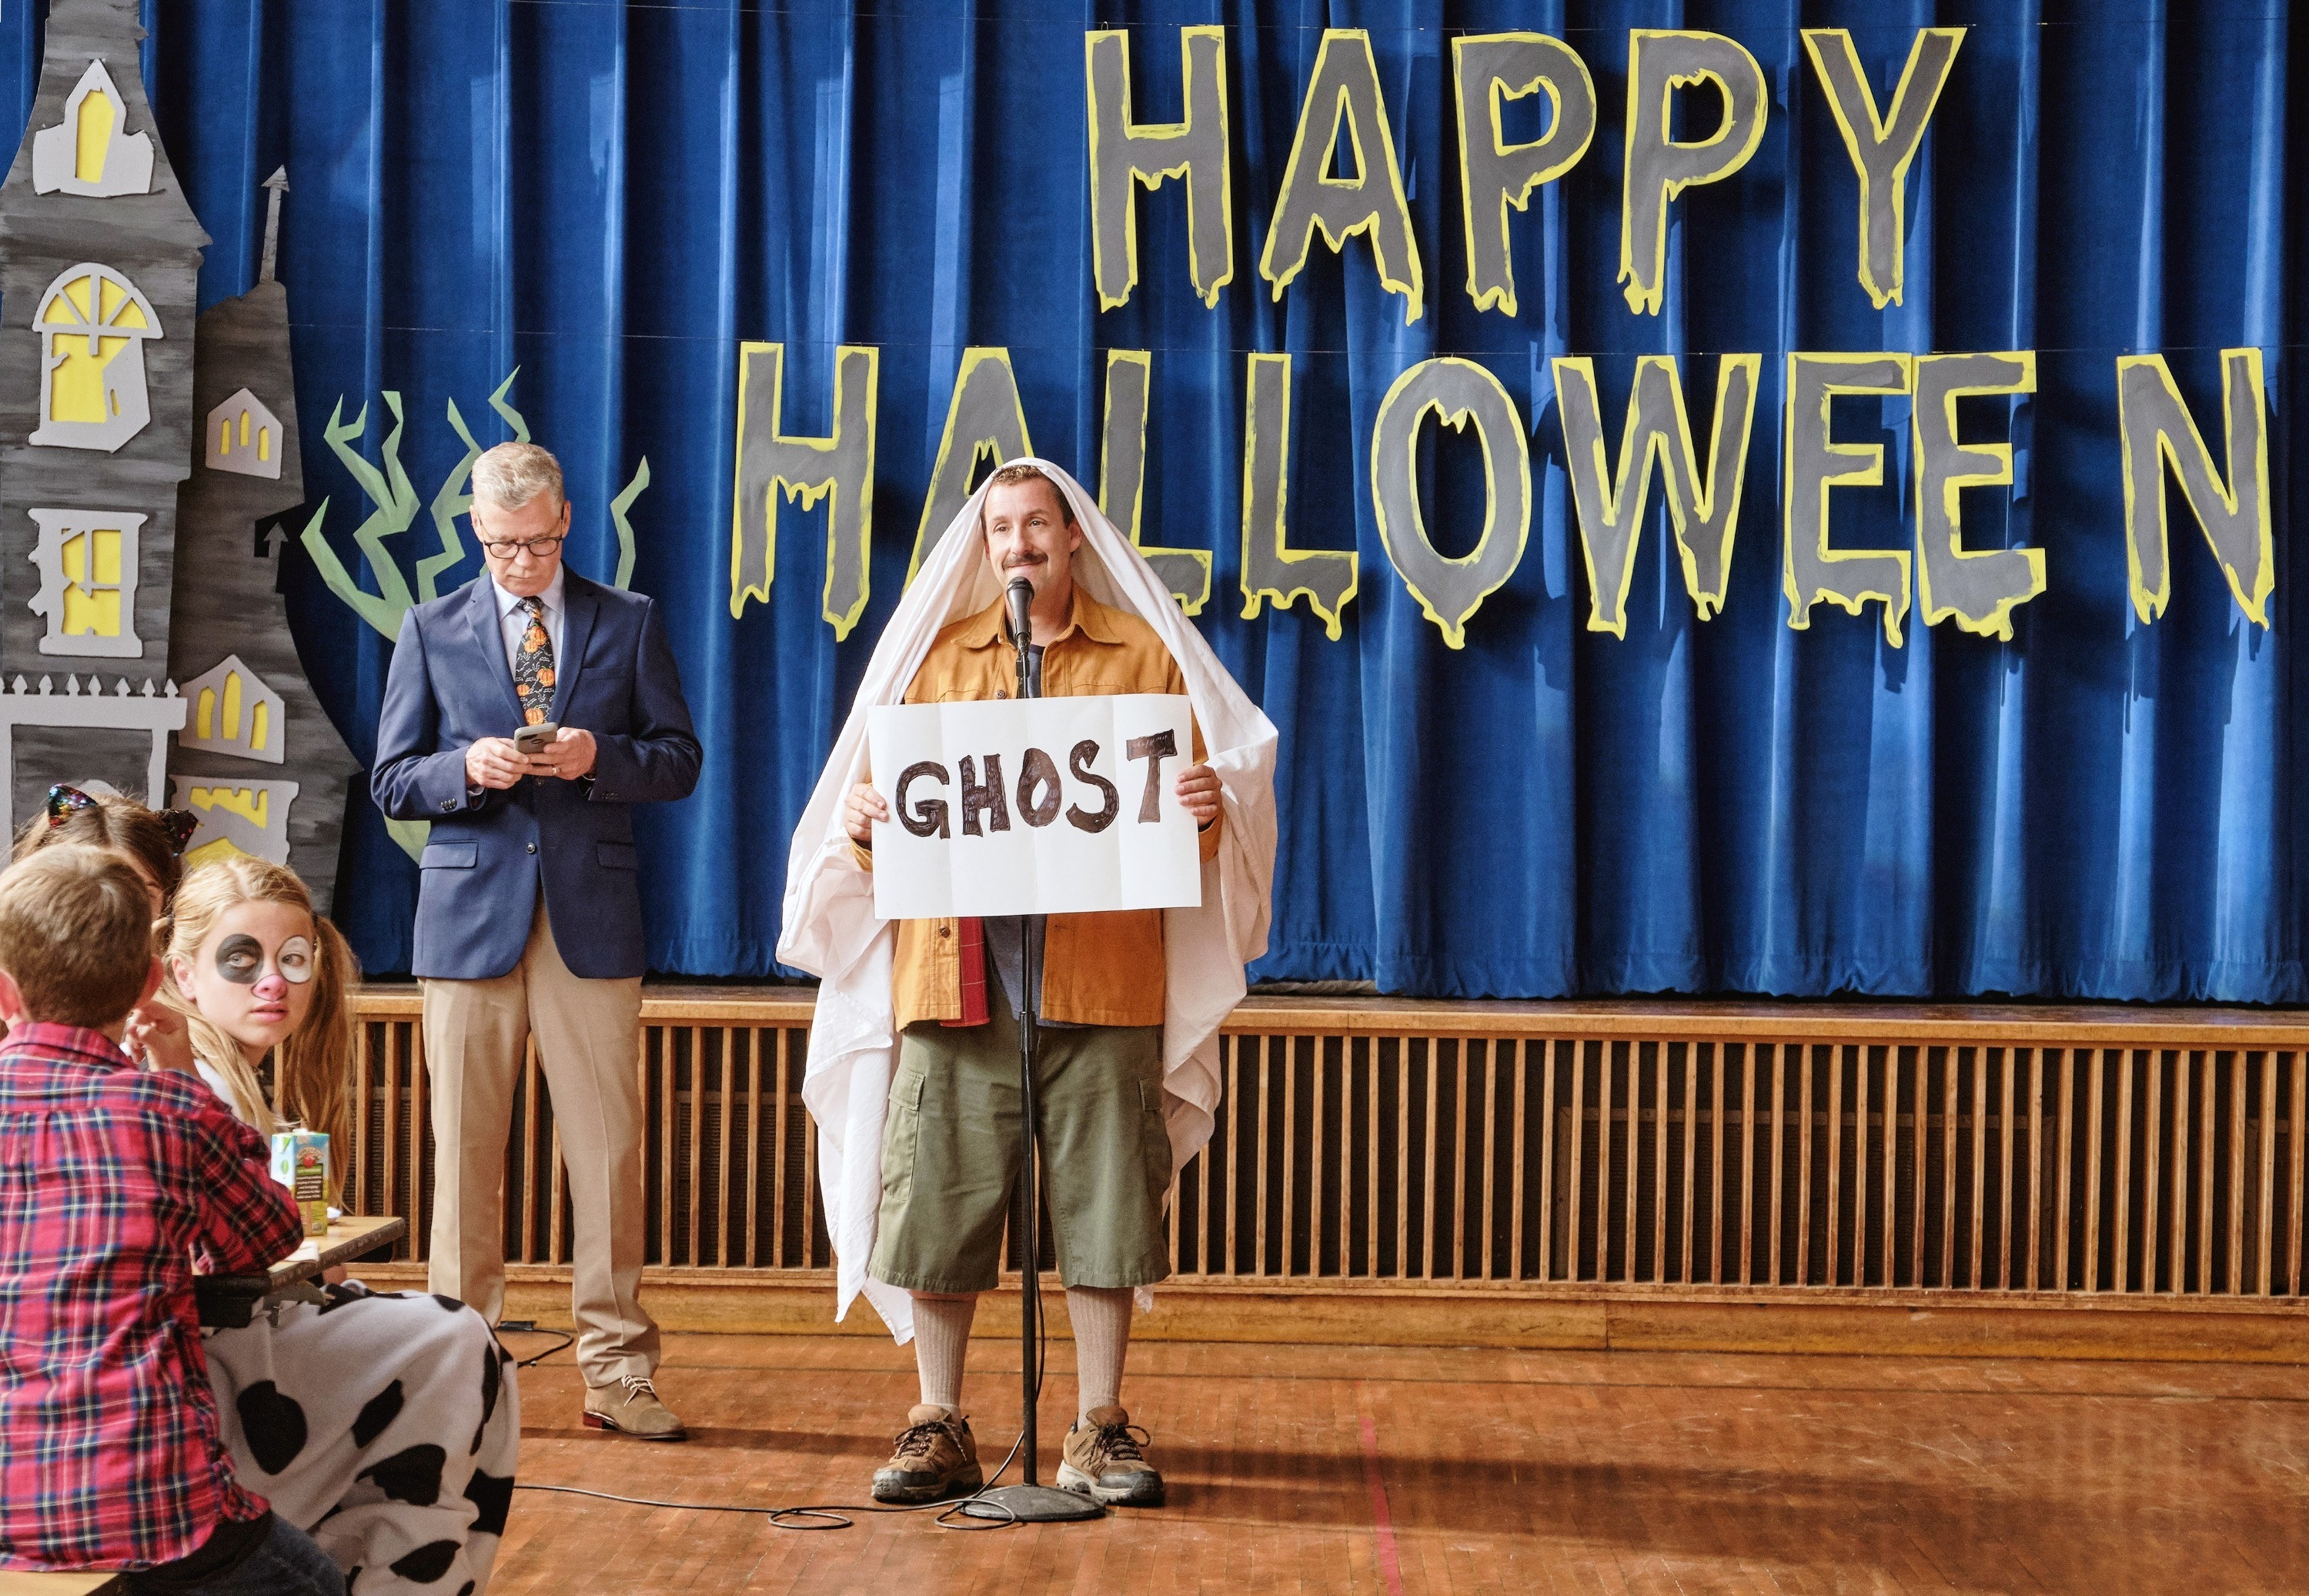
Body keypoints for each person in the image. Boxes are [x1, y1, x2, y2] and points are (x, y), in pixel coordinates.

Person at [787, 460, 1277, 1508]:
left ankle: (1098, 1426)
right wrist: (868, 830)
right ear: (985, 546)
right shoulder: (930, 666)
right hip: (957, 980)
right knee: (939, 1202)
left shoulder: (1143, 657)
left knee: (1107, 1205)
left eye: (1037, 526)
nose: (1020, 545)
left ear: (1074, 538)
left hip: (1100, 983)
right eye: (1002, 528)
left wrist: (1200, 805)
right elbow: (886, 838)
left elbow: (1192, 828)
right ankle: (939, 1421)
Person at [372, 440, 702, 1440]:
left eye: (543, 542)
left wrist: (601, 754)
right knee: (463, 1155)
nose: (525, 560)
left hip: (591, 919)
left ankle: (617, 1369)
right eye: (507, 544)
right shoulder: (430, 626)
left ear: (567, 524)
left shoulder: (627, 619)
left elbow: (678, 760)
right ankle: (456, 1370)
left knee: (607, 1150)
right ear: (478, 530)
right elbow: (392, 778)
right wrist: (465, 767)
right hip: (468, 918)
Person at [159, 856, 520, 1595]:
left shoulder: (235, 1074)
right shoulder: (191, 1080)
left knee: (455, 1345)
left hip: (236, 1335)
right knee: (456, 1343)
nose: (273, 983)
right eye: (242, 961)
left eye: (293, 960)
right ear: (185, 973)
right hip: (205, 1365)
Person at [0, 846, 342, 1594]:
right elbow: (271, 1235)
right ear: (156, 980)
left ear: (3, 993)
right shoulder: (174, 1111)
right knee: (314, 1580)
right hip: (153, 1511)